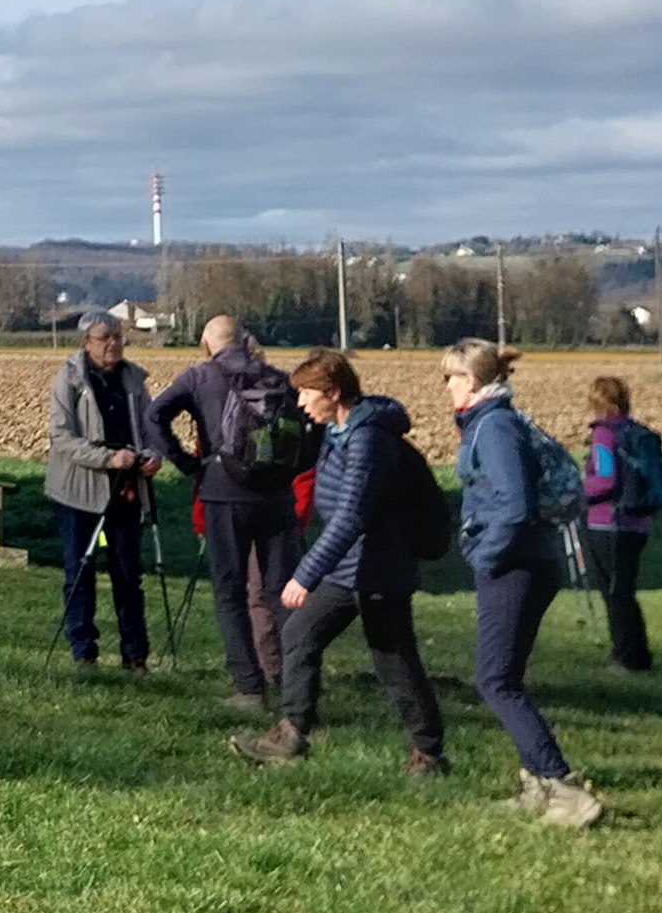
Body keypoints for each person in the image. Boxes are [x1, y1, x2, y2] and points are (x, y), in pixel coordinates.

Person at [233, 349, 446, 775]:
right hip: (348, 568)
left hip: (380, 570)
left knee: (394, 660)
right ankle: (293, 733)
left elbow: (352, 515)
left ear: (332, 393)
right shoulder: (340, 430)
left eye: (307, 393)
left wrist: (305, 575)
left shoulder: (368, 440)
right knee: (299, 635)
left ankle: (429, 754)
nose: (300, 403)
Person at [443, 339, 601, 826]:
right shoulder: (495, 422)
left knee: (495, 681)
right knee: (505, 677)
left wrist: (485, 556)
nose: (445, 387)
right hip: (529, 560)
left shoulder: (494, 428)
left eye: (449, 377)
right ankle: (536, 785)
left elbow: (514, 505)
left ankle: (563, 787)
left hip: (517, 565)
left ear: (470, 382)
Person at [154, 312, 307, 708]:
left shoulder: (199, 377)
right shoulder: (278, 377)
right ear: (244, 340)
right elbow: (311, 428)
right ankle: (297, 687)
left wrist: (190, 466)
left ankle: (249, 687)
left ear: (207, 345)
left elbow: (154, 415)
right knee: (280, 594)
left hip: (223, 495)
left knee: (229, 594)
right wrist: (291, 469)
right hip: (277, 499)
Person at [45, 313, 165, 672]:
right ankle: (84, 652)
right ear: (86, 342)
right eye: (104, 338)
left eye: (117, 336)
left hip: (125, 490)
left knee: (128, 573)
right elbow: (62, 437)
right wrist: (107, 458)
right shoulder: (68, 379)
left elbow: (151, 428)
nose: (113, 343)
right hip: (78, 492)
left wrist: (153, 456)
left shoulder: (134, 379)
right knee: (80, 572)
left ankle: (135, 655)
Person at [580, 373, 662, 673]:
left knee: (614, 593)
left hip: (609, 524)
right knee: (625, 591)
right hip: (638, 524)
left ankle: (627, 657)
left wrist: (578, 491)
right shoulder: (636, 432)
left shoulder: (604, 435)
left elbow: (605, 480)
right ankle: (638, 653)